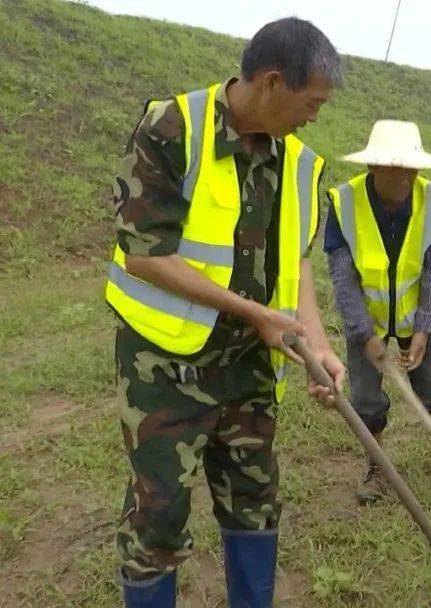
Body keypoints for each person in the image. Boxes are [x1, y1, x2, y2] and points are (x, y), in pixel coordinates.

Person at [105, 18, 345, 607]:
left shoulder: (302, 165)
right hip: (165, 368)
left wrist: (316, 344)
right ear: (270, 84)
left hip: (250, 370)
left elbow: (299, 265)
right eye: (310, 102)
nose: (314, 116)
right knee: (158, 516)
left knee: (255, 500)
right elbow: (145, 255)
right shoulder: (172, 129)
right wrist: (252, 312)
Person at [324, 120, 431, 508]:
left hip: (418, 313)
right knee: (366, 400)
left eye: (413, 166)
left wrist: (423, 328)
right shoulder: (344, 203)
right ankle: (376, 468)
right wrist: (364, 335)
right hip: (367, 318)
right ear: (374, 167)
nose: (410, 175)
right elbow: (344, 281)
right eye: (399, 166)